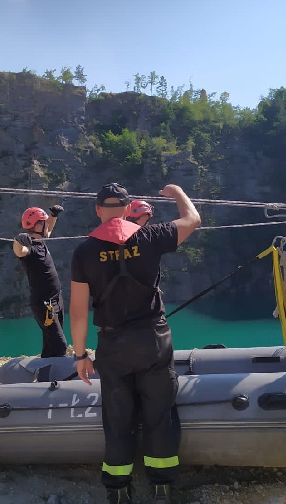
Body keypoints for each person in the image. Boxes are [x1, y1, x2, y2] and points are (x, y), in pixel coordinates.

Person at [70, 183, 200, 504]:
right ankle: (161, 488)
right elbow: (193, 219)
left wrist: (80, 354)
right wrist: (178, 192)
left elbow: (77, 310)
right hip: (153, 338)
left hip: (112, 344)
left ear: (98, 210)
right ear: (129, 210)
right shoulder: (151, 236)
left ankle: (117, 491)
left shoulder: (84, 251)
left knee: (117, 418)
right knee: (160, 413)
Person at [13, 205, 68, 358]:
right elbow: (19, 251)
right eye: (43, 222)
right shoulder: (30, 248)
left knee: (50, 344)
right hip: (44, 304)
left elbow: (48, 229)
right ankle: (56, 380)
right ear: (37, 225)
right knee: (59, 345)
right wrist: (18, 240)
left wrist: (53, 215)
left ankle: (44, 377)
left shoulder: (41, 241)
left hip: (56, 300)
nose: (46, 225)